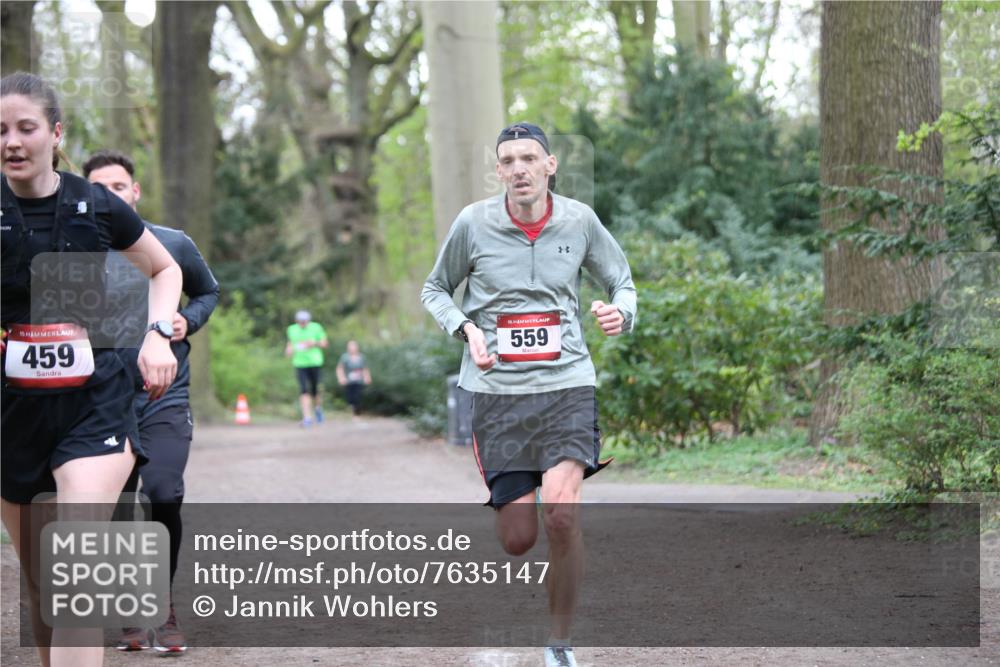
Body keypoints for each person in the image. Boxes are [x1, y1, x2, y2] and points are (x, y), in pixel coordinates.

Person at [421, 122, 636, 667]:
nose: (519, 168)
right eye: (508, 160)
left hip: (566, 385)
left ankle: (560, 644)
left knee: (561, 517)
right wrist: (467, 329)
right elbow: (435, 288)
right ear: (499, 170)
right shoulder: (474, 223)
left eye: (529, 158)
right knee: (518, 538)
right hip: (497, 394)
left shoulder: (579, 220)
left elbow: (622, 282)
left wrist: (621, 314)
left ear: (550, 165)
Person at [1, 73, 182, 667]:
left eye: (26, 128)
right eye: (0, 131)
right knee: (42, 588)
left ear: (55, 133)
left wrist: (157, 335)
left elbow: (163, 270)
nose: (12, 141)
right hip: (11, 411)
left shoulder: (96, 204)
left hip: (96, 402)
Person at [84, 150, 219, 654]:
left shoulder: (172, 244)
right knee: (117, 505)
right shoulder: (78, 251)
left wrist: (189, 321)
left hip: (166, 394)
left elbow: (208, 292)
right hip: (106, 396)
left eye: (119, 187)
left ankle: (161, 606)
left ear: (134, 192)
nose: (111, 196)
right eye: (99, 188)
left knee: (163, 490)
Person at [285, 310, 328, 427]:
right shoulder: (291, 329)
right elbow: (290, 344)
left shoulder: (316, 327)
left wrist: (314, 343)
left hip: (315, 362)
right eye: (300, 322)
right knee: (303, 390)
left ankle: (318, 408)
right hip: (300, 363)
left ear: (308, 321)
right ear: (297, 321)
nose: (302, 324)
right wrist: (288, 350)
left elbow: (325, 343)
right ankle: (307, 417)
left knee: (314, 391)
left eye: (304, 322)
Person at [335, 340, 372, 418]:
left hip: (359, 381)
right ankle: (352, 411)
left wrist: (367, 377)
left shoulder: (361, 357)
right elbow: (340, 368)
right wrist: (341, 378)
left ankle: (357, 413)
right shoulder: (345, 357)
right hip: (349, 381)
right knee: (350, 398)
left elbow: (365, 368)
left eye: (353, 346)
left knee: (358, 396)